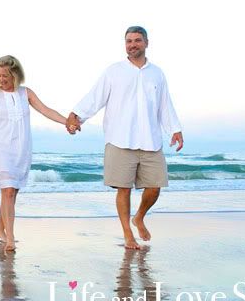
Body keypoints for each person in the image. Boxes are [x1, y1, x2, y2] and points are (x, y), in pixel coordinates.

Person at [67, 26, 183, 250]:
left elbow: (164, 105)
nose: (132, 45)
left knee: (155, 187)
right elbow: (95, 97)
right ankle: (128, 234)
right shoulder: (114, 71)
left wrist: (175, 129)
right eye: (128, 41)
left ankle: (139, 217)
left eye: (137, 40)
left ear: (146, 43)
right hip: (120, 138)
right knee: (124, 189)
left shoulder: (157, 73)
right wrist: (76, 117)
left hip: (150, 139)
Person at [0, 55, 68, 251]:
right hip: (0, 147)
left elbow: (46, 110)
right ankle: (10, 237)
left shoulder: (26, 93)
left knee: (12, 192)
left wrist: (67, 121)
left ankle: (1, 229)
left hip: (21, 147)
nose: (1, 80)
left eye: (5, 76)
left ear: (15, 74)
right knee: (7, 190)